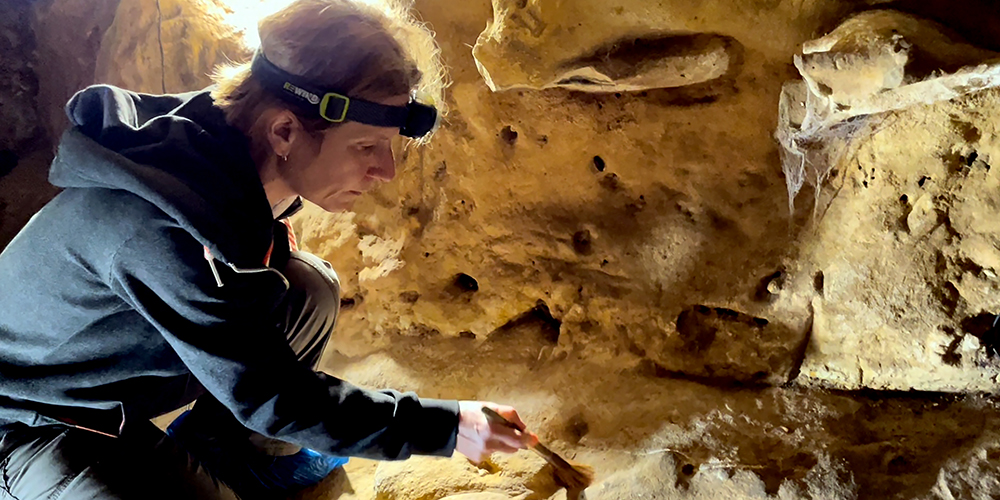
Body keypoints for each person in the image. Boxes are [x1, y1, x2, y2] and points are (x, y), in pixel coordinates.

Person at [0, 1, 535, 498]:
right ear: (284, 130)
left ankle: (237, 451)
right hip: (37, 418)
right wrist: (450, 427)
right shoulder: (162, 230)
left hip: (119, 370)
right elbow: (273, 396)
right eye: (366, 147)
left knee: (308, 288)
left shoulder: (221, 147)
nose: (384, 170)